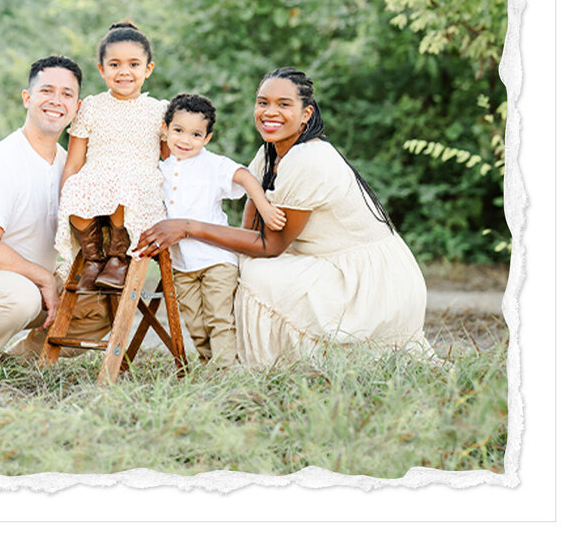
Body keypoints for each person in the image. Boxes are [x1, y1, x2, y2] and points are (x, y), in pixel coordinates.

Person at [136, 67, 432, 367]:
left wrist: (188, 227)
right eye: (263, 102)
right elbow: (250, 231)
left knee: (256, 274)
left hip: (367, 282)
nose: (269, 112)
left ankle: (257, 363)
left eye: (284, 104)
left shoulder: (310, 158)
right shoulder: (269, 155)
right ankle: (220, 358)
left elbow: (269, 246)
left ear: (306, 114)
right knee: (242, 265)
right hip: (320, 262)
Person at [0, 56, 110, 371]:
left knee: (102, 306)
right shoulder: (4, 160)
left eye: (67, 94)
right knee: (22, 297)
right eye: (46, 91)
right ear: (27, 98)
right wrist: (44, 278)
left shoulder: (68, 164)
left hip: (28, 284)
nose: (56, 101)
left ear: (77, 107)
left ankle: (19, 360)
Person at [160, 93, 286, 367]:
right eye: (178, 130)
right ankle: (211, 367)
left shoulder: (212, 164)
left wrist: (264, 207)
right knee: (194, 323)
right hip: (181, 263)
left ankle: (226, 372)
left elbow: (244, 176)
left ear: (207, 139)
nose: (185, 140)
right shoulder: (160, 169)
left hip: (217, 259)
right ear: (165, 129)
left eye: (195, 134)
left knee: (219, 317)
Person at [55, 21, 167, 292]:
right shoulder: (92, 107)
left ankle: (118, 258)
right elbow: (74, 161)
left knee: (123, 184)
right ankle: (94, 260)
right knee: (75, 186)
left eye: (133, 64)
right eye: (115, 65)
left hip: (139, 181)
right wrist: (62, 200)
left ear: (148, 69)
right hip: (96, 177)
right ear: (102, 70)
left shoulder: (159, 110)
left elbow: (169, 157)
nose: (124, 72)